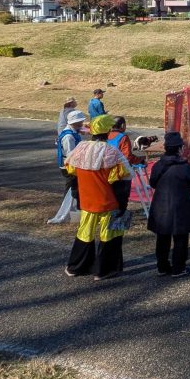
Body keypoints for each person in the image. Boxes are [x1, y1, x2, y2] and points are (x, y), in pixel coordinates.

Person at [64, 114, 130, 280]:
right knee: (110, 235)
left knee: (84, 233)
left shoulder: (79, 149)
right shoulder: (111, 152)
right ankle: (103, 270)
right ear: (108, 131)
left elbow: (71, 170)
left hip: (87, 201)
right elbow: (124, 175)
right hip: (108, 202)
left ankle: (76, 267)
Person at [145, 131, 190, 277]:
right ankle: (178, 268)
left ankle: (162, 267)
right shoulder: (184, 166)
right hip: (180, 206)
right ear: (179, 148)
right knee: (180, 238)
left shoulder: (158, 165)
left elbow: (153, 183)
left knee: (162, 238)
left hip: (161, 206)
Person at [56, 109, 87, 207]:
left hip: (71, 164)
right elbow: (70, 154)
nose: (82, 123)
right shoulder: (69, 136)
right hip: (69, 166)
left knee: (74, 186)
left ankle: (73, 206)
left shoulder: (73, 132)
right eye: (80, 121)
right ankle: (68, 207)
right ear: (75, 122)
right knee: (73, 187)